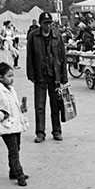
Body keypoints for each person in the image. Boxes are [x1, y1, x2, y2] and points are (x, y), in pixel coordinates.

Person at [0, 62, 29, 186]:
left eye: (13, 76)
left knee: (16, 148)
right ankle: (19, 174)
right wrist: (1, 116)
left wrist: (21, 107)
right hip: (6, 126)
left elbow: (12, 105)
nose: (12, 79)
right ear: (1, 77)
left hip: (14, 124)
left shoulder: (10, 89)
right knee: (13, 150)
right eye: (9, 76)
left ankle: (13, 171)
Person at [26, 11, 69, 143]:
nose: (48, 26)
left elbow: (62, 57)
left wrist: (64, 77)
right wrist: (31, 74)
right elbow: (30, 57)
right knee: (39, 106)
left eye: (50, 23)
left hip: (54, 75)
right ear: (40, 24)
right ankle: (40, 133)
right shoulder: (33, 36)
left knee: (55, 105)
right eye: (45, 23)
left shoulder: (58, 36)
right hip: (40, 75)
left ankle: (57, 131)